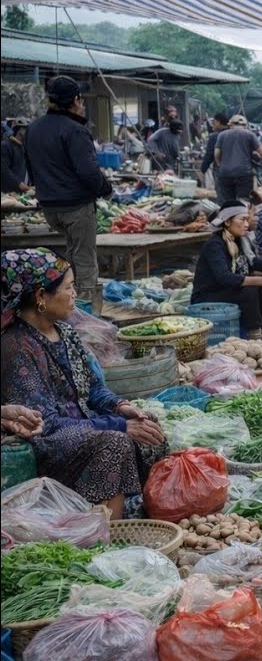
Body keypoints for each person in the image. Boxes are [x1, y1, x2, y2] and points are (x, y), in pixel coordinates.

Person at [0, 248, 167, 519]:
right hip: (49, 442)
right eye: (69, 287)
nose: (75, 294)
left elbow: (93, 389)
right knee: (115, 443)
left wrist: (122, 407)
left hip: (84, 425)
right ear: (42, 296)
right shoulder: (15, 346)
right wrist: (119, 425)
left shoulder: (65, 332)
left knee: (150, 429)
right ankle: (106, 532)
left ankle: (132, 510)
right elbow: (46, 426)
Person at [26, 76, 114, 299]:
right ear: (76, 100)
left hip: (49, 207)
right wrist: (106, 189)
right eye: (81, 98)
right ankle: (86, 315)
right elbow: (88, 172)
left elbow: (31, 170)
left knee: (72, 254)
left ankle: (67, 307)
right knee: (84, 259)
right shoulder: (75, 130)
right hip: (75, 206)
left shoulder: (34, 128)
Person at [192, 201, 262, 338]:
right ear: (228, 222)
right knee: (250, 289)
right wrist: (260, 280)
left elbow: (250, 263)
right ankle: (254, 334)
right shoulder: (215, 245)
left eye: (247, 219)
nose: (247, 224)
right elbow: (224, 277)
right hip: (208, 297)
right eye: (243, 219)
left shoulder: (236, 240)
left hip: (226, 291)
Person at [214, 114, 262, 204]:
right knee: (244, 202)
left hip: (225, 174)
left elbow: (216, 154)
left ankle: (230, 216)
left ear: (230, 124)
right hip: (244, 174)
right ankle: (242, 216)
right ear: (245, 125)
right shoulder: (249, 134)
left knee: (227, 202)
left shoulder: (222, 135)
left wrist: (220, 165)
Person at [200, 111, 229, 189]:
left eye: (214, 122)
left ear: (218, 122)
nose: (212, 124)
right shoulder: (236, 135)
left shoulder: (215, 136)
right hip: (237, 171)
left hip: (221, 170)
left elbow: (209, 155)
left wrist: (202, 170)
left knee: (222, 196)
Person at [1, 117, 29, 193]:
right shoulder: (6, 146)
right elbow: (4, 169)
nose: (28, 131)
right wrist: (19, 183)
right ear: (18, 130)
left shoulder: (24, 147)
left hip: (22, 192)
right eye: (25, 128)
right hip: (8, 193)